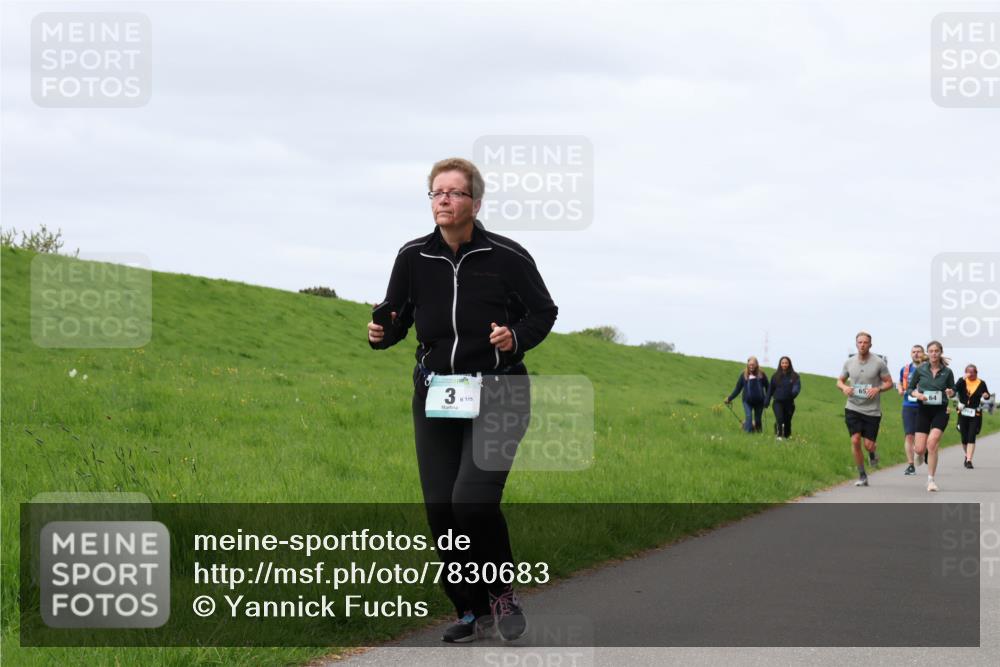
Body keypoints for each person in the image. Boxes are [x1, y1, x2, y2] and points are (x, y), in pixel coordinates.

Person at [367, 157, 558, 643]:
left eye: (453, 193)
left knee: (471, 501)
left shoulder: (507, 257)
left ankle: (502, 595)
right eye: (436, 193)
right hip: (438, 392)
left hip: (500, 392)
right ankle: (471, 608)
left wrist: (515, 336)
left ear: (475, 201)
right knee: (441, 508)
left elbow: (543, 311)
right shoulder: (414, 257)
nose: (443, 200)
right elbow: (397, 317)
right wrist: (381, 332)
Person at [836, 331, 893, 487]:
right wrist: (844, 388)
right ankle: (862, 475)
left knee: (868, 445)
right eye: (859, 342)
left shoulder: (879, 363)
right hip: (853, 407)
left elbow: (889, 382)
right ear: (856, 344)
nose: (862, 345)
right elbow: (839, 381)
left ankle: (872, 454)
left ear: (870, 344)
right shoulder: (849, 362)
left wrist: (878, 389)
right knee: (855, 440)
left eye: (865, 342)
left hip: (872, 410)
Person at [907, 341, 956, 492]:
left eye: (936, 351)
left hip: (940, 410)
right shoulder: (921, 370)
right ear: (927, 353)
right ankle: (920, 454)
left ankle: (931, 481)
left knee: (933, 443)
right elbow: (910, 389)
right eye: (931, 351)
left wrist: (950, 393)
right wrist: (917, 394)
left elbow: (953, 389)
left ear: (940, 352)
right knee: (920, 448)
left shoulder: (947, 372)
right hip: (924, 410)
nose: (934, 354)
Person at [897, 345, 925, 475]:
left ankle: (922, 451)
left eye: (919, 352)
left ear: (923, 353)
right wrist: (899, 388)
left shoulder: (929, 368)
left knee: (924, 436)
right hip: (908, 405)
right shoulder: (906, 369)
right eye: (913, 352)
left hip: (925, 406)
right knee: (909, 435)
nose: (916, 354)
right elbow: (900, 382)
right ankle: (910, 465)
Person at [955, 364, 990, 469]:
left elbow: (986, 394)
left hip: (975, 413)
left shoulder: (981, 383)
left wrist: (986, 395)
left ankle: (969, 460)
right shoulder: (962, 381)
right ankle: (966, 455)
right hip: (962, 412)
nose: (970, 374)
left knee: (971, 436)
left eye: (972, 372)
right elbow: (955, 388)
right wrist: (962, 378)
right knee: (964, 437)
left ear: (976, 373)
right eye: (968, 372)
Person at [725, 357, 770, 433]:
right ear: (747, 365)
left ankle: (759, 434)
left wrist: (767, 400)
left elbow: (768, 387)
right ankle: (748, 433)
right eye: (749, 365)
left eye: (753, 364)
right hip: (747, 401)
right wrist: (729, 398)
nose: (751, 366)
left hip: (759, 402)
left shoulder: (762, 374)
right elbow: (738, 389)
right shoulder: (743, 375)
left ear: (756, 365)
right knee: (748, 417)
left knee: (758, 419)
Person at [768, 356, 801, 439]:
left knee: (787, 421)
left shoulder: (795, 376)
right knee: (780, 418)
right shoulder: (775, 376)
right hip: (777, 402)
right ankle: (779, 436)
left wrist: (793, 393)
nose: (784, 365)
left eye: (786, 363)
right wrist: (766, 401)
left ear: (789, 364)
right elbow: (770, 389)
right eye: (782, 363)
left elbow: (797, 387)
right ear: (780, 364)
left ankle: (787, 435)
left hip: (789, 403)